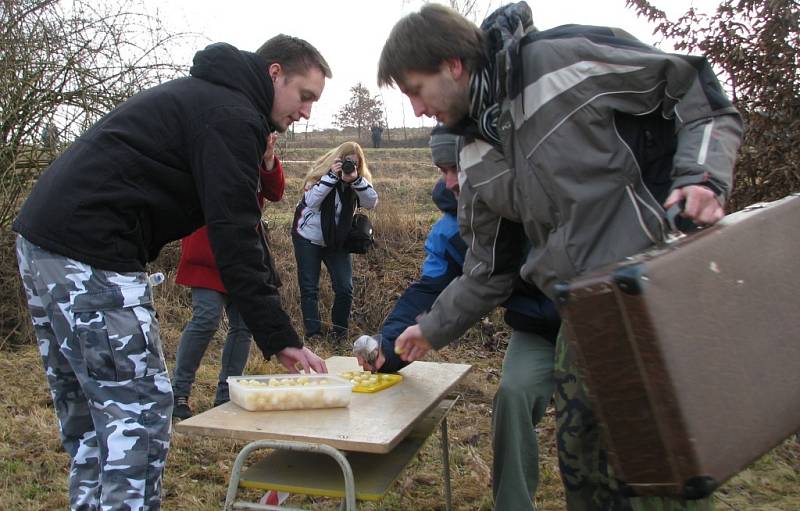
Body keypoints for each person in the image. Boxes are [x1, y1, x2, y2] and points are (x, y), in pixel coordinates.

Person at [378, 4, 743, 511]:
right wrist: (429, 328)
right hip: (583, 317)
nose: (416, 110)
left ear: (452, 64)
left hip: (652, 292)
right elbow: (487, 271)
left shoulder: (562, 62)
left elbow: (694, 86)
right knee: (585, 475)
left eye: (415, 90)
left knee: (656, 476)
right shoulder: (473, 155)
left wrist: (701, 177)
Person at [13, 34, 330, 511]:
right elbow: (235, 234)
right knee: (138, 416)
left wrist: (272, 326)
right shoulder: (231, 116)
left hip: (42, 242)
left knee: (95, 423)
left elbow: (241, 226)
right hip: (90, 251)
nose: (306, 112)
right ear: (274, 73)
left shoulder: (207, 99)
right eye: (304, 96)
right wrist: (280, 335)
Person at [357, 126, 561, 510]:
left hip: (594, 321)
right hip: (538, 328)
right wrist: (389, 347)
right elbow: (428, 292)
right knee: (513, 396)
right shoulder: (450, 229)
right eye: (442, 169)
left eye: (457, 168)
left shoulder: (541, 196)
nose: (450, 181)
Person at [172, 132, 284, 420]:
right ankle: (179, 392)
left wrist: (268, 158)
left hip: (245, 254)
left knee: (243, 326)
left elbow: (275, 192)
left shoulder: (257, 153)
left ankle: (226, 393)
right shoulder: (211, 149)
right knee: (206, 317)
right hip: (208, 249)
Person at [291, 141, 378, 340]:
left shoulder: (358, 180)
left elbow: (371, 202)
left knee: (345, 288)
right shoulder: (319, 176)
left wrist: (355, 180)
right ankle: (314, 334)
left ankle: (339, 333)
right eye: (347, 162)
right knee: (309, 287)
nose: (350, 166)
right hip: (308, 238)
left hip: (338, 240)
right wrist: (331, 177)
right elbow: (311, 202)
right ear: (337, 160)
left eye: (354, 163)